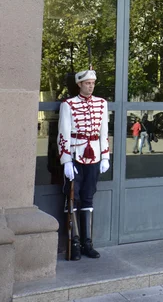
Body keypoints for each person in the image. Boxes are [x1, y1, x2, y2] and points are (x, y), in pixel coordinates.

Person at [57, 69, 110, 260]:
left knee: (88, 197)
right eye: (87, 83)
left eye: (93, 83)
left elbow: (103, 132)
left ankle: (88, 243)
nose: (91, 86)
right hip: (75, 155)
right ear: (79, 84)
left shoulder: (102, 104)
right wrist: (66, 161)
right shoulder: (68, 105)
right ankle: (75, 243)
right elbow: (63, 133)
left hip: (94, 156)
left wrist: (105, 156)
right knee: (72, 199)